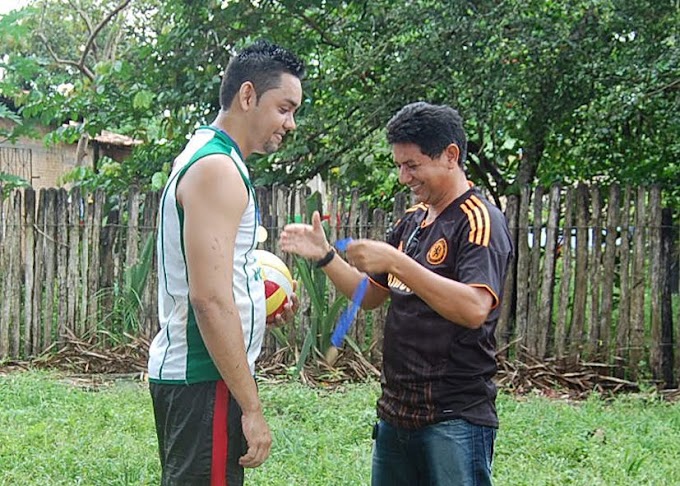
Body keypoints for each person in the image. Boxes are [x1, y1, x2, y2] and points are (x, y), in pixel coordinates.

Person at [280, 102, 513, 486]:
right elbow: (370, 296)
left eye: (413, 165)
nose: (404, 177)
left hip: (454, 415)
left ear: (450, 155)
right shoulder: (413, 222)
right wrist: (325, 257)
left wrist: (397, 262)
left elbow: (475, 308)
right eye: (400, 166)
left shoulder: (478, 220)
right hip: (396, 412)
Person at [147, 40, 304, 485]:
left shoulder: (213, 156)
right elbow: (210, 300)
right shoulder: (218, 168)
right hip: (205, 379)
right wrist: (252, 409)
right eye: (284, 108)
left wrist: (258, 304)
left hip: (202, 378)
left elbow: (221, 277)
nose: (290, 124)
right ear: (248, 95)